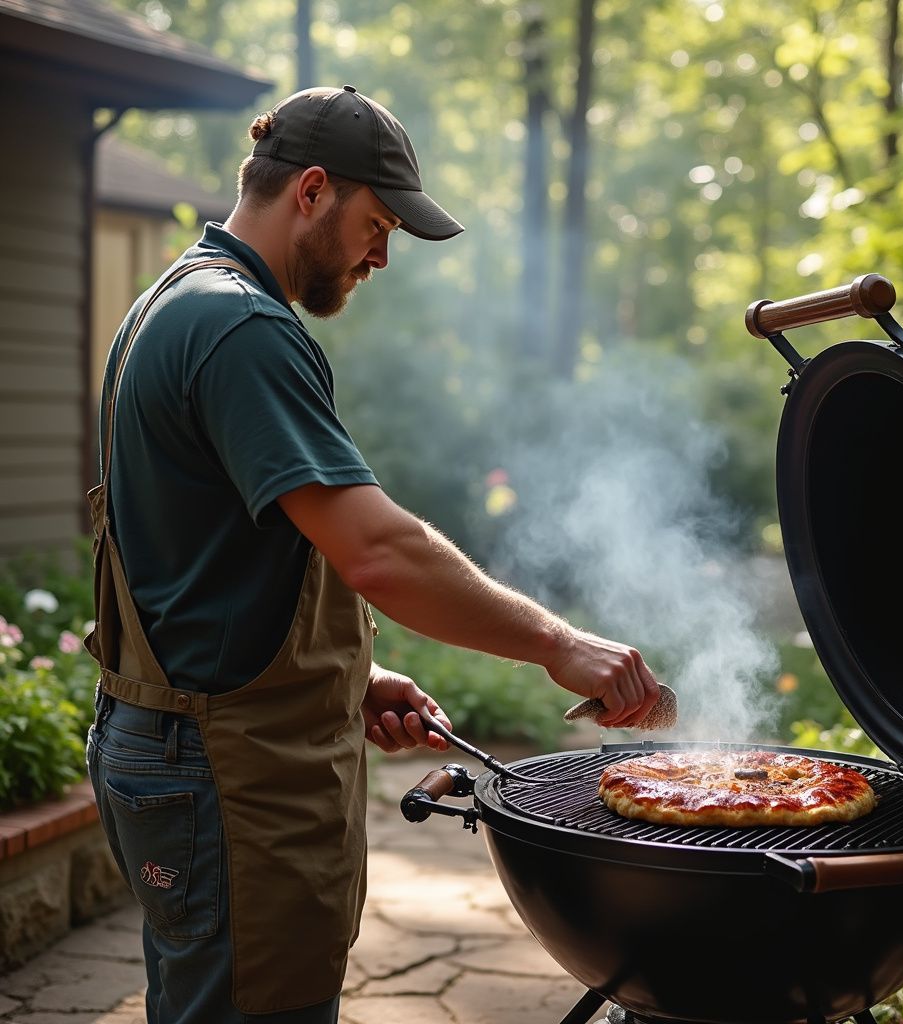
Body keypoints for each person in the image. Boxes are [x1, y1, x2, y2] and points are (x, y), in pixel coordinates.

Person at [85, 85, 660, 1024]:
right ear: (311, 190)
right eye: (378, 223)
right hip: (227, 778)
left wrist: (349, 674)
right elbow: (380, 552)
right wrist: (561, 644)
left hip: (183, 747)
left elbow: (192, 557)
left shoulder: (172, 300)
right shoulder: (243, 329)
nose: (382, 255)